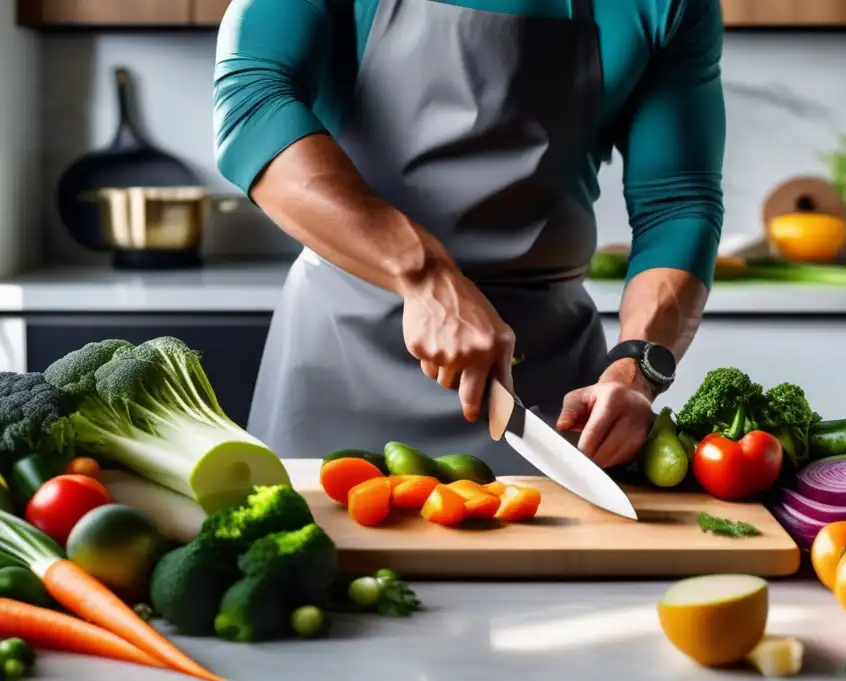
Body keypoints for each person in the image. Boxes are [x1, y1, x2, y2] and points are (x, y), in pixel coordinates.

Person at [214, 0, 725, 473]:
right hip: (339, 360)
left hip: (547, 388)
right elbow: (251, 103)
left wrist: (635, 370)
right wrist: (425, 276)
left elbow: (677, 204)